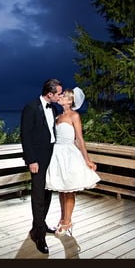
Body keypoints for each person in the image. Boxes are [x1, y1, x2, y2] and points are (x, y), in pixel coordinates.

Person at [45, 87, 101, 236]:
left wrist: (87, 160)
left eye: (64, 96)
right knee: (62, 191)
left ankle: (68, 222)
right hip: (57, 154)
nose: (61, 97)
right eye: (61, 95)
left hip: (69, 155)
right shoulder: (57, 116)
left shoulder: (74, 116)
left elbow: (79, 139)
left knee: (69, 191)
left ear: (70, 101)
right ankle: (62, 219)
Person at [20, 78, 63, 254]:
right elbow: (25, 135)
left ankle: (40, 225)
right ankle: (39, 236)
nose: (59, 97)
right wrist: (31, 160)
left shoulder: (53, 108)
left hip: (51, 157)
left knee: (47, 194)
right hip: (37, 159)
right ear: (49, 93)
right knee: (38, 197)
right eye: (58, 94)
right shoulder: (31, 107)